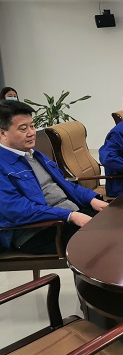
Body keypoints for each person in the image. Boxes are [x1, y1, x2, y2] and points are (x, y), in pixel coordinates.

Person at [0, 100, 108, 254]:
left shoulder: (34, 155)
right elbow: (18, 210)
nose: (31, 133)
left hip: (67, 214)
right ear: (2, 133)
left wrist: (91, 199)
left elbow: (65, 184)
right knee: (103, 239)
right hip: (37, 230)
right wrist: (70, 216)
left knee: (117, 221)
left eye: (32, 126)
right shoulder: (3, 165)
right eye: (23, 129)